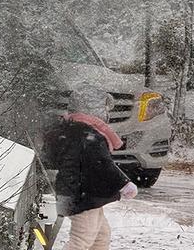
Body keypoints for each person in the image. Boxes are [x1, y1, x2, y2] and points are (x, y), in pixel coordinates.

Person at [43, 88, 139, 250]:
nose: (107, 114)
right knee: (81, 241)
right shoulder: (88, 135)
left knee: (101, 236)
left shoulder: (71, 130)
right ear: (95, 109)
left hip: (78, 194)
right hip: (84, 197)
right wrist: (124, 184)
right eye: (104, 108)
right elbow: (103, 165)